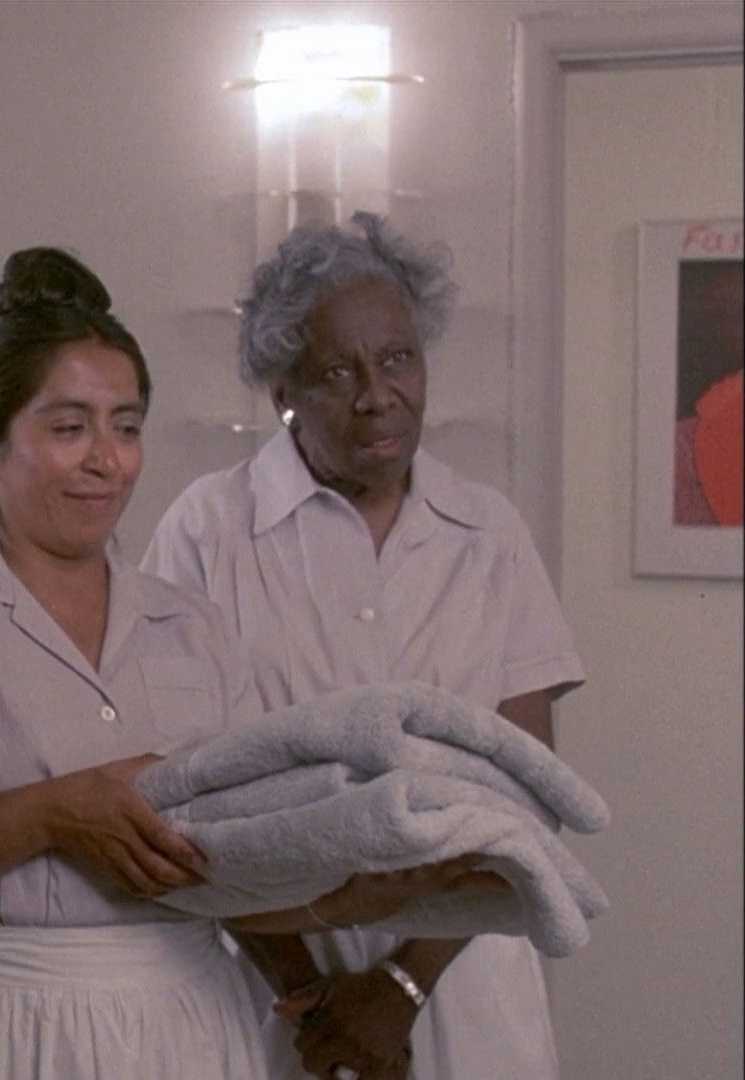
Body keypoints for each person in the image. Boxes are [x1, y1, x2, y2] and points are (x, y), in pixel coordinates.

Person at [0, 248, 486, 1079]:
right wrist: (48, 815)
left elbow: (241, 865)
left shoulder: (191, 627)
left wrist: (375, 896)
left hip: (191, 1022)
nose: (106, 460)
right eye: (69, 429)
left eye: (126, 426)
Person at [145, 212, 587, 1080]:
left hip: (463, 974)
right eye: (338, 372)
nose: (378, 395)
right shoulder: (207, 529)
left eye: (398, 358)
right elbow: (175, 795)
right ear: (283, 391)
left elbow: (528, 795)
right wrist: (311, 994)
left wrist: (400, 987)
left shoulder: (489, 532)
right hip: (272, 984)